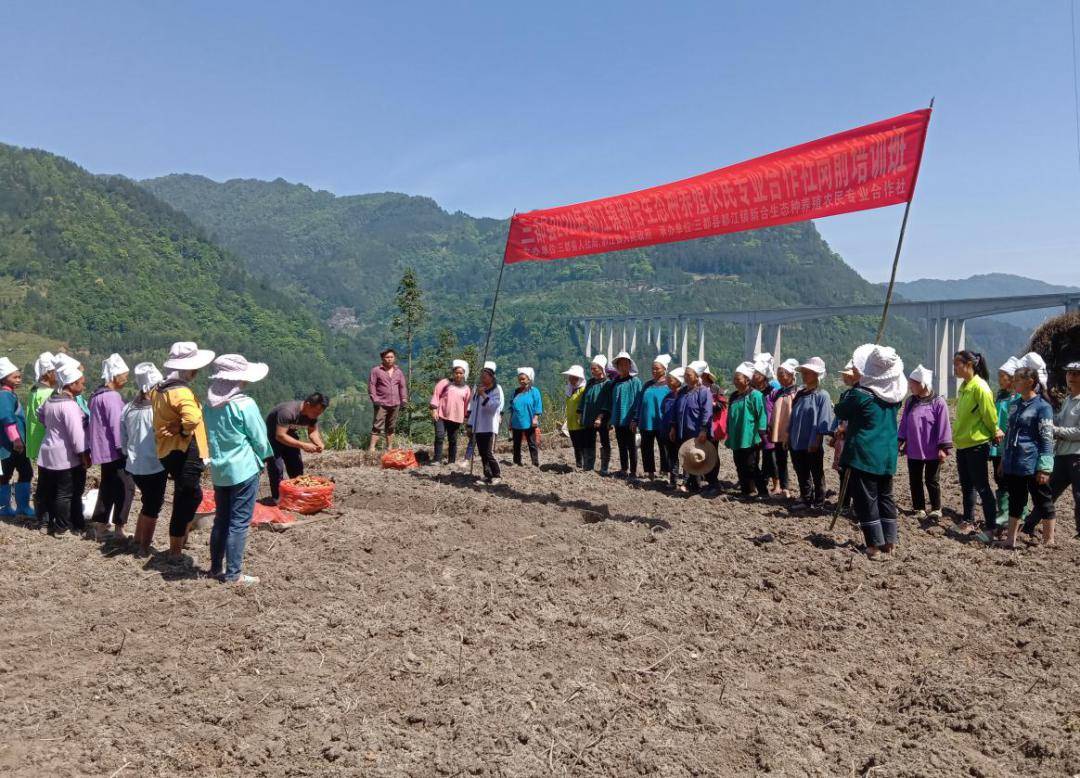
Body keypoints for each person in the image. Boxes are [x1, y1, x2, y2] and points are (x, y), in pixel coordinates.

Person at [205, 354, 274, 585]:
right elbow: (259, 439)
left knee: (221, 519)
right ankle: (234, 574)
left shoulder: (209, 405)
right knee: (239, 522)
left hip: (219, 469)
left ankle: (215, 568)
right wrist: (265, 458)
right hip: (243, 469)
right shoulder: (245, 404)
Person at [835, 344, 906, 559]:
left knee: (867, 499)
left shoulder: (860, 395)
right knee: (886, 496)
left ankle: (874, 544)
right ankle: (890, 541)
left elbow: (840, 409)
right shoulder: (894, 397)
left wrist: (857, 384)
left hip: (864, 453)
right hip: (886, 453)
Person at [154, 341, 215, 561]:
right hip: (185, 449)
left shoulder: (161, 389)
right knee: (186, 496)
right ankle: (176, 549)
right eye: (193, 367)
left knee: (188, 495)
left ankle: (180, 539)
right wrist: (181, 427)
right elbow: (192, 418)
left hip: (168, 449)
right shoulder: (181, 392)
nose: (196, 372)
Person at [1000, 366, 1056, 548]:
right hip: (1014, 461)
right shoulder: (1015, 404)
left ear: (1030, 381)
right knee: (1016, 499)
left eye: (1017, 379)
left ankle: (1049, 541)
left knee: (1042, 500)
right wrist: (1003, 459)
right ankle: (1011, 539)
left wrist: (1045, 467)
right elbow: (1008, 432)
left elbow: (1047, 437)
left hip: (1032, 462)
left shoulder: (1043, 407)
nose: (1013, 382)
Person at [36, 361, 90, 536]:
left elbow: (40, 415)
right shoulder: (70, 406)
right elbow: (77, 435)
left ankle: (45, 522)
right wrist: (82, 455)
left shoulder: (51, 400)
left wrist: (52, 429)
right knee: (64, 493)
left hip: (47, 451)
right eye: (81, 383)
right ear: (72, 384)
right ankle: (61, 528)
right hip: (64, 456)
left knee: (47, 489)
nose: (83, 385)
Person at [952, 350, 1003, 535]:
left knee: (982, 486)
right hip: (963, 444)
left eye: (958, 364)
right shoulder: (964, 386)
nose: (955, 368)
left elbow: (990, 415)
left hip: (977, 444)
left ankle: (991, 527)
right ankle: (968, 520)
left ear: (970, 365)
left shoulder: (980, 387)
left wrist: (994, 431)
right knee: (966, 486)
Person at [121, 362, 167, 556]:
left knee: (147, 500)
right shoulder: (157, 411)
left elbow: (123, 439)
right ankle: (144, 547)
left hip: (133, 464)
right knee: (153, 505)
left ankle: (139, 538)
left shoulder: (128, 409)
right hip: (154, 464)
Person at [897, 365, 952, 522]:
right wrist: (900, 440)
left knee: (931, 479)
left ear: (922, 384)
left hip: (932, 448)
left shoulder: (938, 403)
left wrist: (943, 448)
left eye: (912, 383)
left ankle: (936, 508)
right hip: (914, 447)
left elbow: (944, 425)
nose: (910, 386)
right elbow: (904, 423)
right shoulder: (910, 402)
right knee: (915, 479)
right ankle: (919, 507)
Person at [88, 353, 134, 539]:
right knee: (126, 487)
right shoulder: (112, 397)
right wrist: (124, 448)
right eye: (124, 375)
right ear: (115, 376)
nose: (126, 378)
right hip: (115, 451)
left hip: (102, 450)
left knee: (107, 486)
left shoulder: (96, 396)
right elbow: (117, 425)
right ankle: (119, 527)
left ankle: (99, 525)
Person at [265, 393, 329, 503]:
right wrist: (303, 445)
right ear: (307, 405)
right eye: (316, 412)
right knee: (277, 468)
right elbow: (280, 436)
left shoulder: (312, 415)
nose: (317, 415)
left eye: (320, 413)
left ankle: (297, 495)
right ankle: (278, 499)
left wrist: (319, 444)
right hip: (273, 437)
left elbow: (312, 431)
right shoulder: (288, 412)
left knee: (296, 467)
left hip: (289, 435)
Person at [788, 357, 833, 511]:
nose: (804, 375)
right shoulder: (800, 394)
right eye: (804, 372)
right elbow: (793, 417)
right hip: (797, 439)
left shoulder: (822, 396)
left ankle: (819, 501)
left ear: (816, 375)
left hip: (812, 441)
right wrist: (788, 436)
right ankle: (805, 497)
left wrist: (817, 439)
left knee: (816, 471)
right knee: (801, 470)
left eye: (808, 372)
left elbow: (824, 420)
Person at [727, 362, 769, 498]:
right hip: (736, 435)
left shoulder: (755, 395)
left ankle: (762, 491)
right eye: (734, 378)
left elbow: (762, 414)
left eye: (738, 378)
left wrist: (761, 432)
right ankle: (746, 490)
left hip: (750, 435)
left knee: (751, 465)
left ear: (747, 380)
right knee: (739, 463)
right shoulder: (733, 396)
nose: (735, 381)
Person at [669, 364, 712, 493]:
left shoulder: (703, 392)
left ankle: (692, 484)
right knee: (685, 456)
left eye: (689, 375)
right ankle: (690, 483)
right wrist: (673, 427)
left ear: (696, 376)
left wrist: (704, 429)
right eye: (685, 375)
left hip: (696, 430)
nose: (686, 377)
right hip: (682, 429)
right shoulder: (682, 391)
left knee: (695, 457)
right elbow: (675, 411)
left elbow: (706, 411)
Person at [0, 358, 34, 518]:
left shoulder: (8, 394)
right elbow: (7, 419)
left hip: (9, 444)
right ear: (4, 378)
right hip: (10, 444)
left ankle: (14, 507)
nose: (19, 380)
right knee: (19, 472)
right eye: (15, 377)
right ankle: (13, 507)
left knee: (12, 473)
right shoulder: (5, 395)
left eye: (19, 377)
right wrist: (17, 440)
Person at [990, 356, 1022, 526]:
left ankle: (1015, 514)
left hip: (1009, 444)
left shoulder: (1015, 399)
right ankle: (1003, 512)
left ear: (1011, 379)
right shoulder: (1000, 396)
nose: (999, 379)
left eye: (1002, 376)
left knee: (1011, 479)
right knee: (999, 477)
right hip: (997, 444)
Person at [1050, 361, 1080, 538]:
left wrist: (1056, 431)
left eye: (1076, 374)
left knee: (1079, 495)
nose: (1071, 377)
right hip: (1062, 454)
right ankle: (1030, 525)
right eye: (1069, 373)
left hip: (1077, 456)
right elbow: (1060, 420)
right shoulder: (1068, 400)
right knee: (1048, 492)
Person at [631, 354, 672, 480]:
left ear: (664, 369)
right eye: (653, 368)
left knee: (664, 447)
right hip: (646, 422)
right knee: (646, 447)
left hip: (662, 422)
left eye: (657, 368)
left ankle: (665, 471)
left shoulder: (669, 385)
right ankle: (649, 472)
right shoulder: (647, 385)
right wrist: (635, 419)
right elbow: (639, 403)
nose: (654, 371)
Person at [764, 358, 799, 497]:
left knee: (797, 461)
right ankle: (785, 487)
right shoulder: (777, 392)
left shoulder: (797, 393)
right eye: (778, 374)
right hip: (778, 432)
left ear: (791, 375)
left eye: (782, 374)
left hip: (792, 432)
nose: (779, 377)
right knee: (780, 460)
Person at [608, 351, 643, 479]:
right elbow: (613, 402)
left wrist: (635, 418)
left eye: (625, 364)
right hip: (618, 419)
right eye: (620, 364)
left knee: (632, 446)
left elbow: (639, 401)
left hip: (630, 420)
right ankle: (624, 469)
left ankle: (633, 471)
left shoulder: (635, 382)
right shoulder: (615, 383)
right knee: (621, 445)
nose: (623, 367)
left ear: (629, 365)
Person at [468, 363, 504, 485]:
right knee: (482, 452)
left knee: (488, 452)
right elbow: (474, 407)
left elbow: (493, 407)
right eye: (481, 376)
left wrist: (483, 395)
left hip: (489, 425)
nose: (482, 379)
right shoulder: (477, 389)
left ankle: (497, 474)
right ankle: (487, 474)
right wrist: (470, 424)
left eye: (485, 376)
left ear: (491, 377)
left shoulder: (496, 390)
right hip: (478, 426)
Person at [430, 360, 471, 466]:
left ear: (464, 374)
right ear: (453, 373)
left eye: (461, 373)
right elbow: (436, 395)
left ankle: (451, 461)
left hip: (456, 417)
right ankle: (437, 459)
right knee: (439, 436)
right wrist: (434, 409)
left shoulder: (466, 389)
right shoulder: (445, 383)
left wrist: (466, 417)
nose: (458, 375)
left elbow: (466, 404)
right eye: (456, 372)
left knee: (452, 439)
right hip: (441, 415)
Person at [367, 348, 407, 453]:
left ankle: (389, 448)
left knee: (391, 426)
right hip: (381, 403)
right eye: (387, 357)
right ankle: (372, 448)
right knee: (377, 425)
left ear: (395, 358)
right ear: (382, 358)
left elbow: (402, 386)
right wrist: (374, 398)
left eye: (391, 357)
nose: (389, 359)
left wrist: (404, 398)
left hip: (395, 403)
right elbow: (372, 385)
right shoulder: (376, 370)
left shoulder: (398, 372)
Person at [579, 355, 613, 474]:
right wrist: (581, 413)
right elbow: (584, 399)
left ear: (602, 369)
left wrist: (600, 417)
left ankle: (604, 467)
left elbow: (607, 402)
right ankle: (588, 466)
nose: (592, 371)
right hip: (589, 417)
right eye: (591, 369)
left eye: (595, 369)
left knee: (604, 440)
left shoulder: (608, 384)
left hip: (602, 419)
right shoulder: (590, 382)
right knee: (588, 440)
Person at [24, 351, 56, 463]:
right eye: (55, 372)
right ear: (48, 373)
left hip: (35, 441)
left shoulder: (34, 391)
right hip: (45, 442)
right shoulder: (47, 393)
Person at [510, 368, 543, 466]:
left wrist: (535, 418)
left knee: (532, 443)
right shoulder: (516, 392)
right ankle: (517, 462)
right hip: (516, 421)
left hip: (529, 421)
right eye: (520, 379)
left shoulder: (534, 391)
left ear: (529, 379)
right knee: (516, 444)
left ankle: (535, 463)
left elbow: (538, 405)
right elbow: (512, 408)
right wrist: (510, 421)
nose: (521, 381)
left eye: (523, 379)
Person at [658, 368, 683, 488]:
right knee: (672, 456)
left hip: (682, 430)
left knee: (685, 455)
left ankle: (686, 480)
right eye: (667, 379)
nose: (667, 382)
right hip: (667, 430)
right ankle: (673, 480)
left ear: (678, 381)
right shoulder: (668, 396)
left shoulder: (684, 395)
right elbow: (663, 409)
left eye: (670, 380)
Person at [562, 365, 588, 469]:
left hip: (580, 423)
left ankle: (585, 465)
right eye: (570, 377)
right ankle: (579, 464)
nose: (572, 380)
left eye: (574, 378)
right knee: (576, 445)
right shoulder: (570, 390)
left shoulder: (583, 390)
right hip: (572, 423)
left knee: (582, 445)